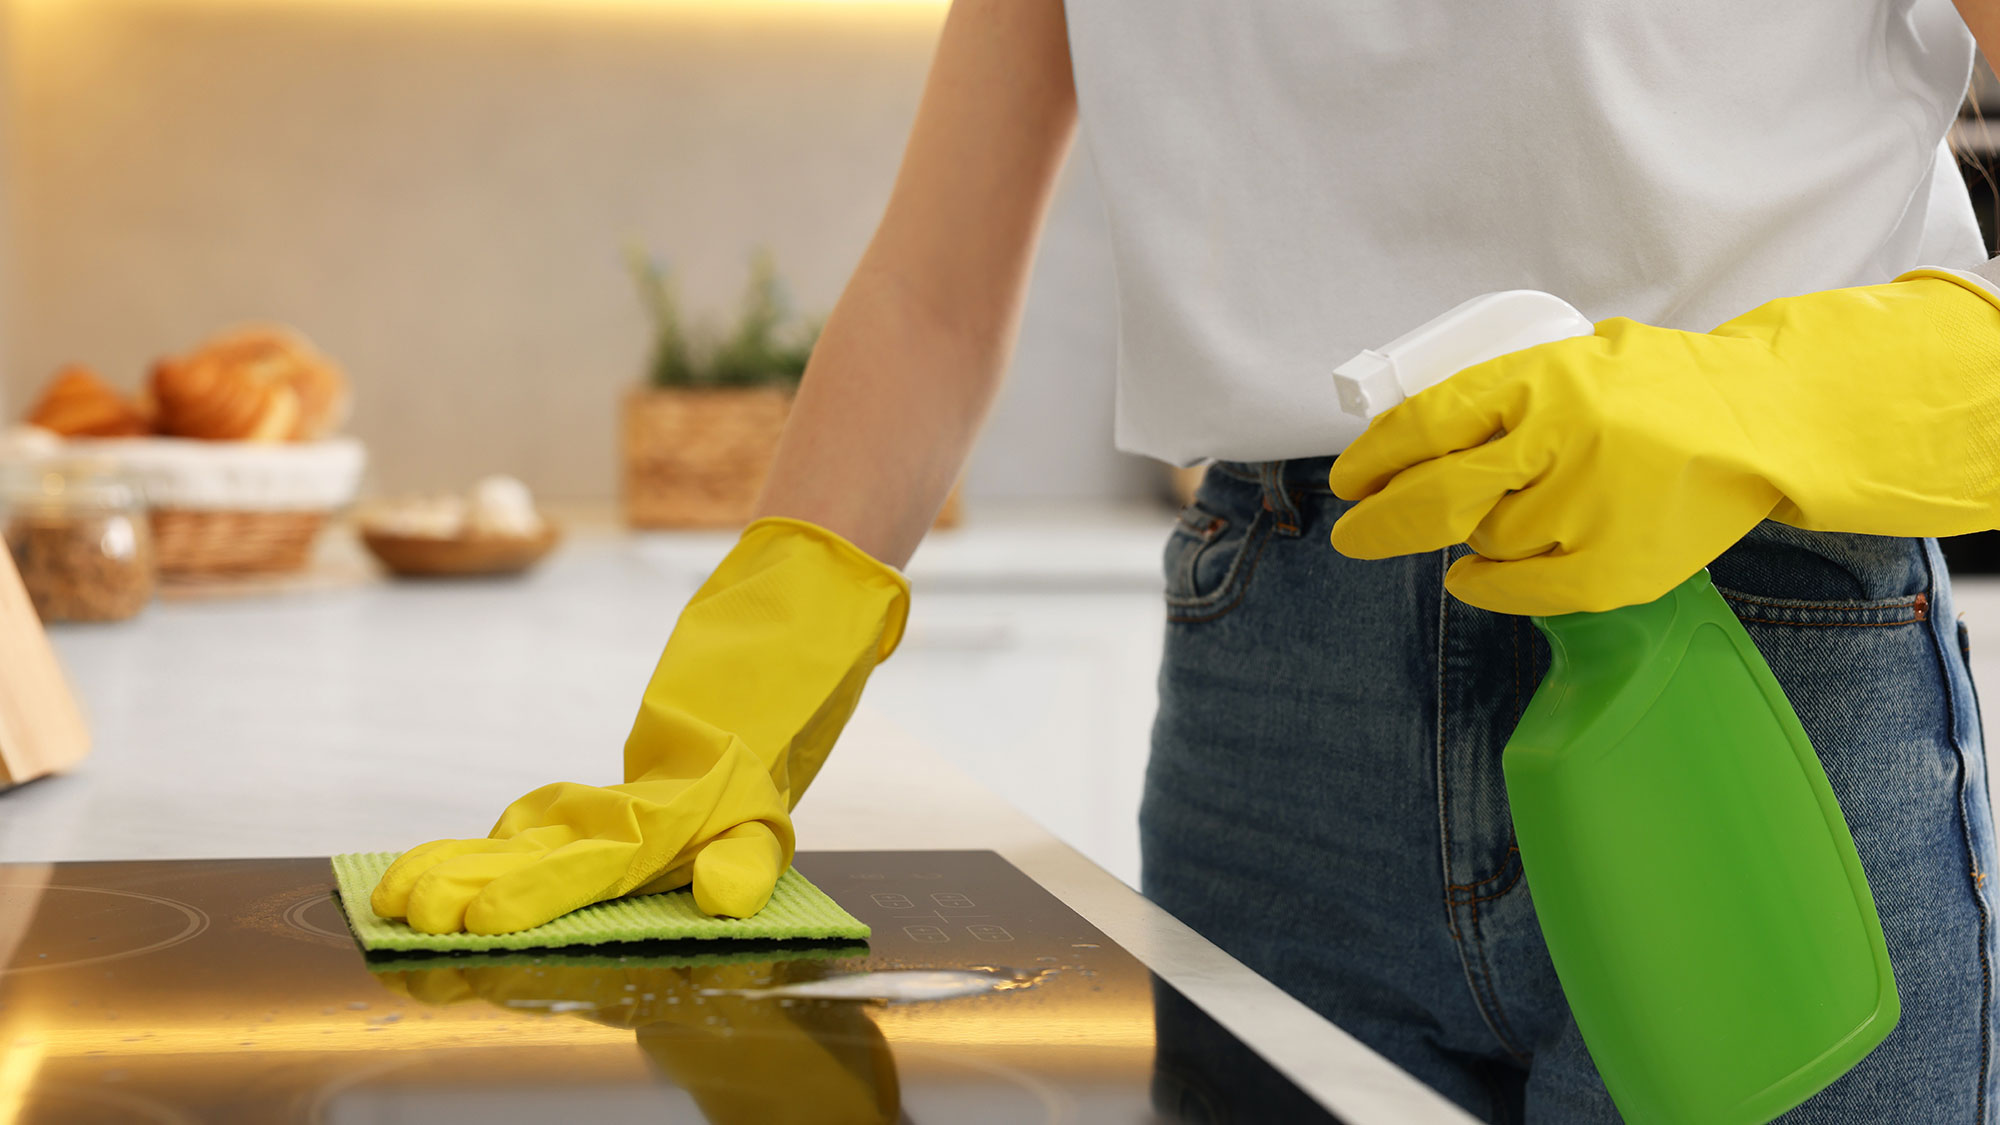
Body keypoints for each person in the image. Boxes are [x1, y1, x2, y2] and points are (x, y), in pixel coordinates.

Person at [370, 1, 2000, 1119]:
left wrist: (1741, 400)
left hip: (1758, 671)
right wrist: (741, 694)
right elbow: (934, 293)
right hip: (1275, 699)